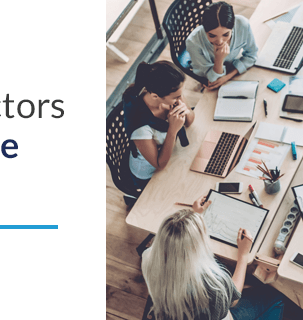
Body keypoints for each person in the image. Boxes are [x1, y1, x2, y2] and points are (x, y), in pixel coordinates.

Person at [141, 197, 284, 320]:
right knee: (275, 298)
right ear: (196, 246)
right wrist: (243, 255)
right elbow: (234, 299)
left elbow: (176, 242)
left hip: (173, 311)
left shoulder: (148, 257)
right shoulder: (211, 284)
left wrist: (192, 217)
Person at [121, 61, 195, 205]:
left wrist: (184, 108)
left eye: (181, 94)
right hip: (149, 172)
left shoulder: (171, 93)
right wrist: (172, 130)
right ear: (155, 96)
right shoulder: (141, 127)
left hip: (169, 152)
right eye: (177, 97)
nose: (180, 99)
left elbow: (189, 121)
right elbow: (159, 164)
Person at [184, 1, 259, 90]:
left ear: (233, 26)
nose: (220, 42)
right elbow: (213, 80)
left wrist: (227, 77)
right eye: (212, 35)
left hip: (231, 71)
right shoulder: (193, 42)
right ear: (204, 29)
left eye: (226, 35)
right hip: (210, 75)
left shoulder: (243, 24)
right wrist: (219, 59)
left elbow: (252, 55)